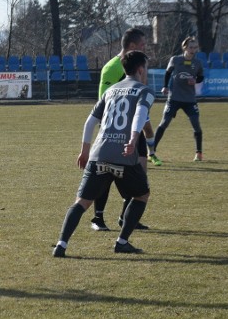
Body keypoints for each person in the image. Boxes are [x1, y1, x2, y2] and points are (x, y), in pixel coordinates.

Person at [52, 50, 153, 258]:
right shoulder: (144, 91)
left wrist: (84, 151)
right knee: (141, 195)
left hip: (99, 153)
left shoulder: (111, 90)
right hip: (124, 155)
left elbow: (90, 122)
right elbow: (140, 115)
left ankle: (61, 245)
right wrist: (133, 139)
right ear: (141, 69)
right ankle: (122, 242)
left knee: (81, 202)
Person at [91, 27, 154, 232]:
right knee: (107, 174)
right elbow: (104, 103)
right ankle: (98, 219)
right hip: (115, 131)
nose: (146, 48)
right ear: (133, 46)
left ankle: (126, 217)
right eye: (143, 45)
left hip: (135, 129)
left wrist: (145, 125)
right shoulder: (111, 69)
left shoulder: (139, 66)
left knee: (140, 173)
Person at [148, 36, 205, 163]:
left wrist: (195, 81)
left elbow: (201, 77)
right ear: (184, 47)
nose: (193, 50)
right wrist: (165, 86)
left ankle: (199, 153)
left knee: (196, 125)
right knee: (164, 123)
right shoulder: (175, 60)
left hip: (190, 99)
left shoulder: (198, 63)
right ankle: (152, 152)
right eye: (190, 47)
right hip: (174, 98)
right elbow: (168, 73)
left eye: (195, 48)